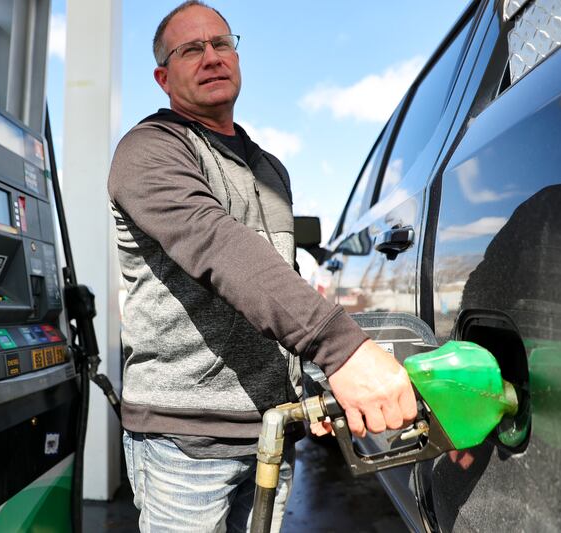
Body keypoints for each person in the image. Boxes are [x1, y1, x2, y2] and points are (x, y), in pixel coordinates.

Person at [107, 2, 417, 531]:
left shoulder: (269, 168)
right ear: (163, 77)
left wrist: (316, 382)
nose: (211, 57)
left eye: (221, 43)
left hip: (272, 430)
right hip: (185, 443)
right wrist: (342, 350)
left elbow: (279, 282)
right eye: (190, 49)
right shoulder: (149, 150)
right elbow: (219, 247)